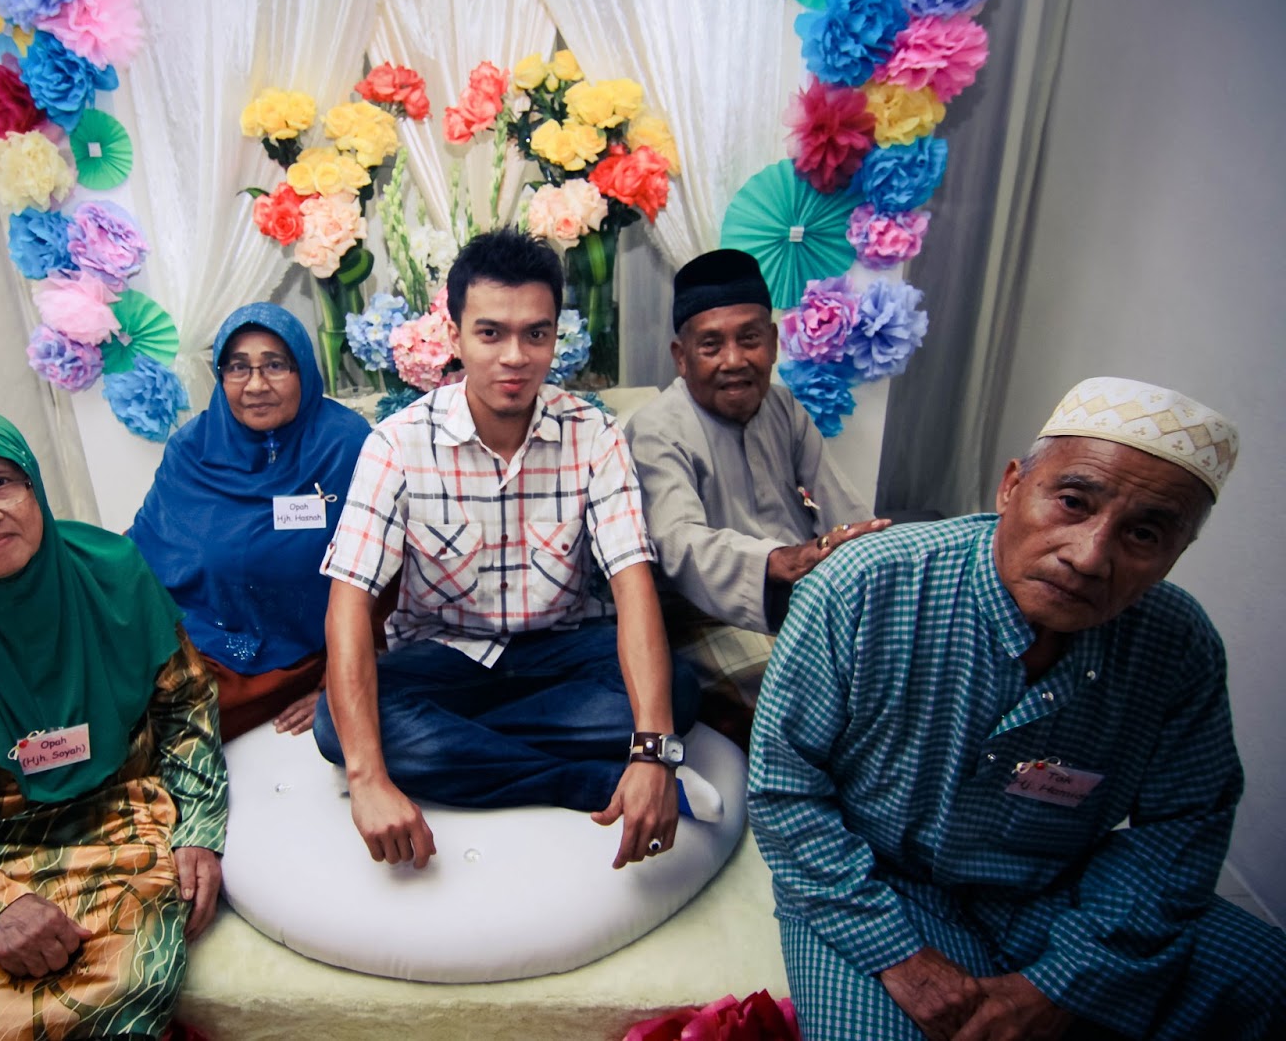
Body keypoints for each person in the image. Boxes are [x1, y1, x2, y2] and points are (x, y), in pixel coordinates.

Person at [748, 377, 1286, 1040]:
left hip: (1061, 886)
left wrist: (1062, 982)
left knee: (1266, 977)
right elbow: (783, 789)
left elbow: (1183, 826)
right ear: (1010, 487)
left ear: (1176, 555)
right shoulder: (860, 586)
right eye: (1072, 502)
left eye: (1144, 534)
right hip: (880, 885)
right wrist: (901, 957)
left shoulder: (1178, 643)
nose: (1089, 557)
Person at [314, 228, 706, 873]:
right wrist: (368, 778)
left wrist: (651, 751)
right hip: (445, 660)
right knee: (337, 729)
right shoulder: (396, 444)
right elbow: (349, 605)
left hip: (562, 657)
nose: (515, 357)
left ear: (556, 335)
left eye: (535, 334)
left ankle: (467, 755)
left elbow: (634, 586)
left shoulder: (595, 435)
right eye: (491, 333)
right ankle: (581, 780)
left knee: (679, 693)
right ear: (455, 335)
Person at [0, 407, 228, 1040]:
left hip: (123, 819)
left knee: (118, 986)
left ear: (33, 485)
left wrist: (197, 829)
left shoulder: (115, 573)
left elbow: (185, 705)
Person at [627, 249, 887, 736]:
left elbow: (839, 503)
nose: (734, 361)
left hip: (802, 596)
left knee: (891, 674)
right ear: (681, 357)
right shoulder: (656, 429)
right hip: (702, 615)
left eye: (749, 339)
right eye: (711, 345)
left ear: (772, 342)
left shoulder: (783, 407)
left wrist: (870, 549)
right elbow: (678, 542)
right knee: (808, 705)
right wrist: (775, 560)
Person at [130, 302, 370, 737]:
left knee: (168, 727)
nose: (256, 385)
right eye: (239, 368)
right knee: (118, 707)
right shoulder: (192, 450)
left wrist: (339, 681)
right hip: (205, 641)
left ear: (303, 370)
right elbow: (143, 552)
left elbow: (388, 570)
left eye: (275, 365)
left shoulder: (346, 447)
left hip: (305, 657)